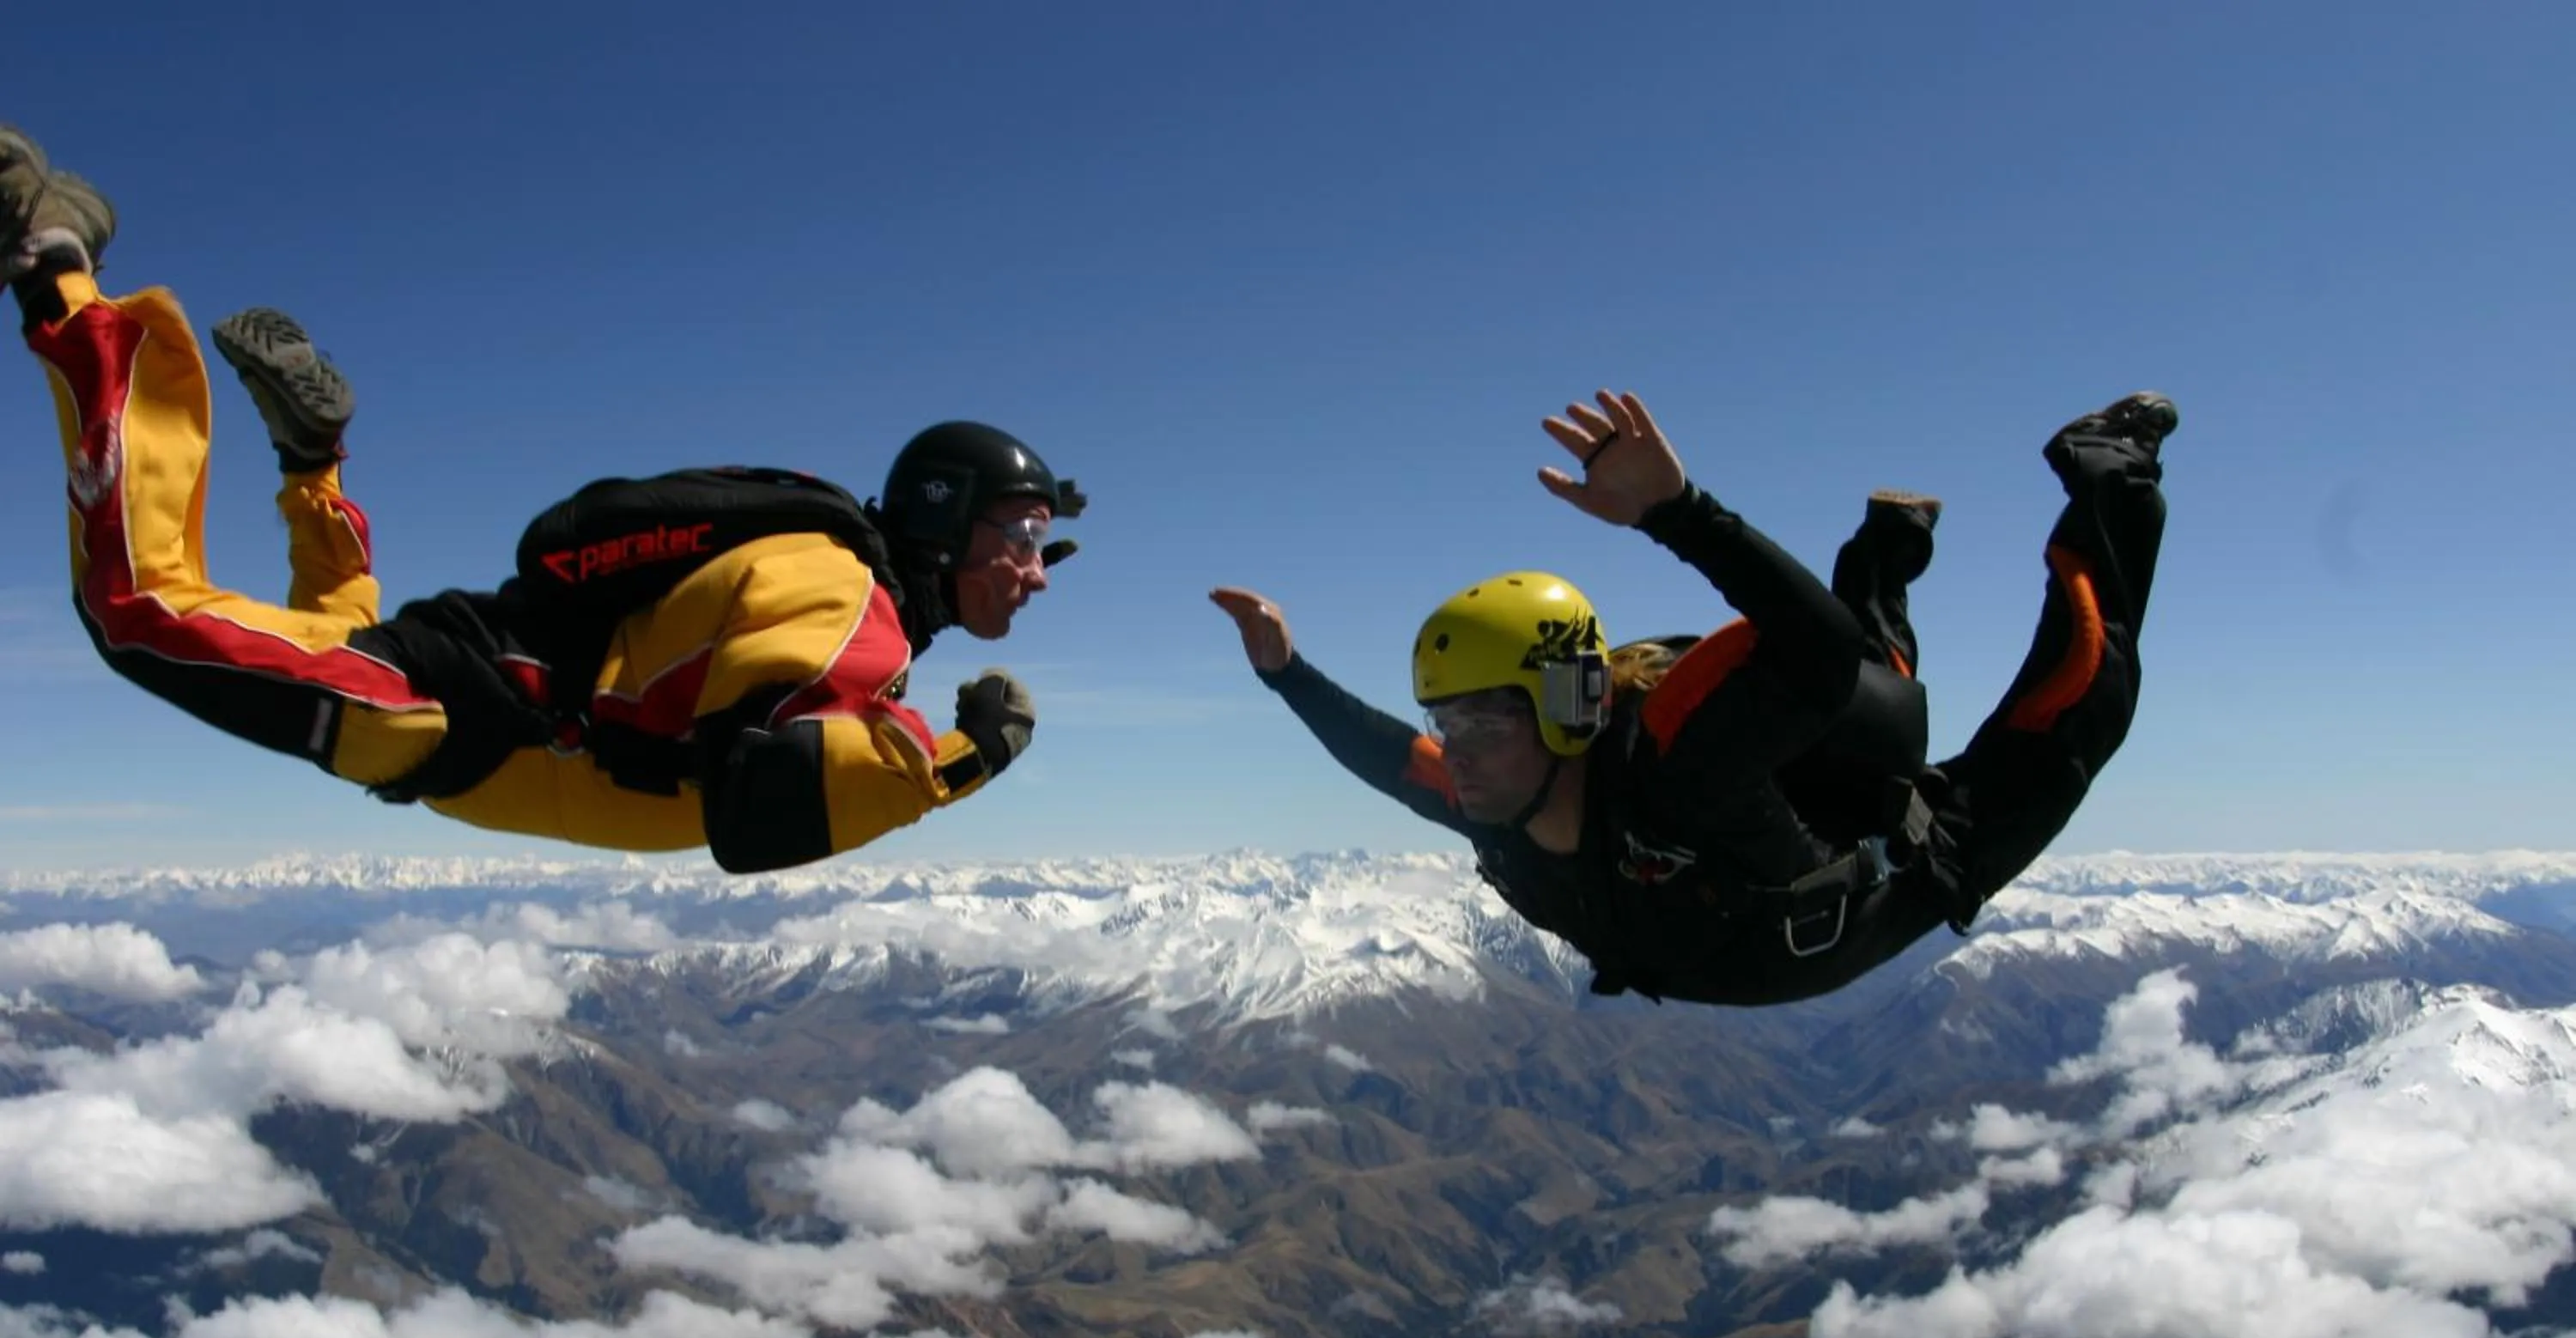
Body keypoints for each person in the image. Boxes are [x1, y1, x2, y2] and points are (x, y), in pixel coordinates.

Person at [3, 126, 1082, 874]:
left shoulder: (844, 593)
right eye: (1023, 534)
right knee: (138, 617)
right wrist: (965, 760)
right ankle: (60, 276)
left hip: (465, 699)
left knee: (337, 635)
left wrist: (939, 749)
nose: (1037, 569)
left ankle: (314, 465)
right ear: (945, 515)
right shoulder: (850, 602)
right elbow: (760, 805)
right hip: (463, 713)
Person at [1212, 386, 2174, 1007]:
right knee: (1880, 671)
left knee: (2083, 690)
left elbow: (1818, 656)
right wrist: (1285, 671)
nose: (1455, 748)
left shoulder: (1674, 772)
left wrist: (1682, 514)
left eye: (1486, 717)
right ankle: (1890, 543)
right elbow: (1385, 758)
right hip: (1776, 891)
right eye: (1447, 719)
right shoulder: (1496, 804)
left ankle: (2111, 471)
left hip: (1915, 866)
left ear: (1564, 707)